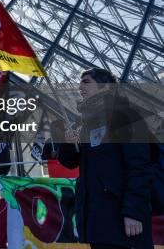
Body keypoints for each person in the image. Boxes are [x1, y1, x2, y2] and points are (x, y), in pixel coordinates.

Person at [58, 68, 154, 249]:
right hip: (99, 220)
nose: (80, 86)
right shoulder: (87, 123)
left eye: (86, 82)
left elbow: (139, 167)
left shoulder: (125, 116)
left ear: (106, 87)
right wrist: (68, 144)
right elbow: (71, 162)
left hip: (122, 218)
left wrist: (133, 212)